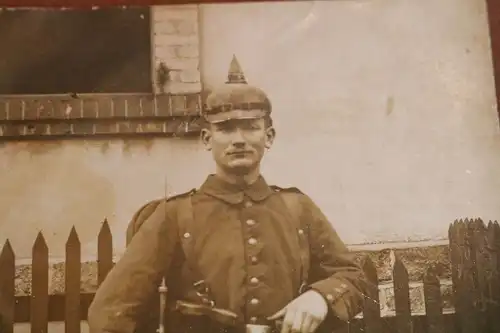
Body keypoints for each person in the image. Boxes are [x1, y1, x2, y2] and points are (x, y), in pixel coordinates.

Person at [87, 55, 368, 333]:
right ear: (207, 139)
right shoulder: (174, 215)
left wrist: (319, 297)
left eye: (250, 127)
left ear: (268, 137)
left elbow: (352, 276)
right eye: (225, 129)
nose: (238, 140)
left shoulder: (298, 208)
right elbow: (111, 311)